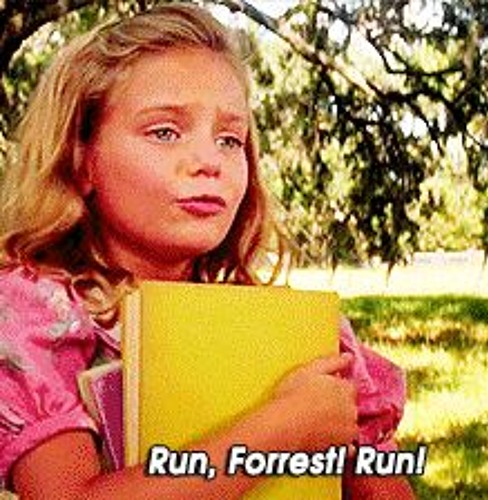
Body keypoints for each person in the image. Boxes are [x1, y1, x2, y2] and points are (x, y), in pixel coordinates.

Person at [0, 4, 414, 498]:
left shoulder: (296, 331)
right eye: (165, 132)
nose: (208, 161)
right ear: (80, 159)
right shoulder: (34, 314)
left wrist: (337, 433)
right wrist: (279, 431)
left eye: (229, 139)